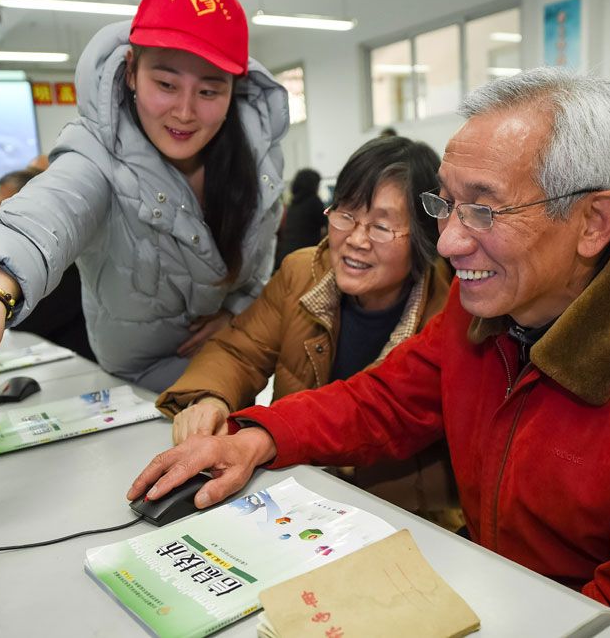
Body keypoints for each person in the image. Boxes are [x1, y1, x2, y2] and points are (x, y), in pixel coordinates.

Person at [129, 69, 610, 637]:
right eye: (445, 204)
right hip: (510, 595)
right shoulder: (495, 304)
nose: (449, 242)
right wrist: (259, 437)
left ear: (594, 221)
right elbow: (390, 397)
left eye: (483, 210)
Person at [0, 0, 288, 393]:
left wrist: (235, 312)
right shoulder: (96, 153)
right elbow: (48, 211)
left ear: (235, 91)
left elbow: (258, 267)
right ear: (132, 71)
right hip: (137, 379)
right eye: (166, 84)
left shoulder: (256, 160)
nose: (185, 112)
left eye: (210, 91)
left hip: (233, 359)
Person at [159, 137, 459, 527]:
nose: (356, 239)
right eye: (346, 215)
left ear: (424, 238)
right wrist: (210, 399)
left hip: (403, 518)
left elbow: (440, 465)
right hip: (294, 496)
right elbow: (239, 351)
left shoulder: (449, 315)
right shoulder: (303, 273)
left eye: (382, 226)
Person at [0, 168, 96, 361]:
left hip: (81, 361)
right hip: (54, 355)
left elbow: (30, 321)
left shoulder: (66, 249)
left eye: (9, 206)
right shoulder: (27, 247)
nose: (1, 216)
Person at [273, 167, 326, 269]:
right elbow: (329, 224)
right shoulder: (313, 202)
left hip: (285, 256)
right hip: (304, 258)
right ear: (313, 185)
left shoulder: (293, 204)